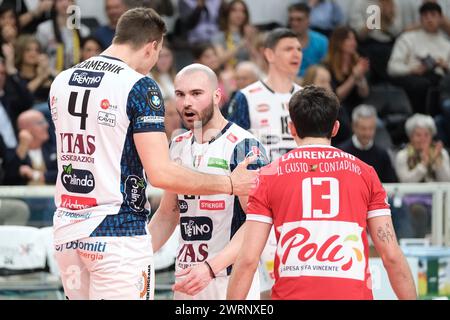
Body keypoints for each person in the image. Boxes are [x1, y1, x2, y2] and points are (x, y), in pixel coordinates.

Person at [49, 7, 258, 300]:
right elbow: (161, 174)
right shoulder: (139, 85)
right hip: (117, 230)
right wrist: (230, 184)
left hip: (67, 229)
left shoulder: (63, 79)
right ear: (152, 46)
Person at [227, 86, 417, 300]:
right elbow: (391, 255)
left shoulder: (268, 176)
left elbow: (248, 260)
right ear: (335, 128)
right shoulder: (366, 173)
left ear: (292, 128)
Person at [149, 63, 267, 300]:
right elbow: (168, 214)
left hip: (228, 279)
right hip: (187, 277)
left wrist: (211, 268)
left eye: (196, 94)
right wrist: (134, 256)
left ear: (216, 95)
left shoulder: (244, 145)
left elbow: (257, 224)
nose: (186, 103)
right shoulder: (178, 144)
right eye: (180, 95)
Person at [227, 28, 303, 161]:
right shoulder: (246, 96)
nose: (296, 54)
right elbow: (232, 144)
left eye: (299, 49)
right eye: (288, 49)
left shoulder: (307, 97)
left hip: (299, 176)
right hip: (261, 177)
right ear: (269, 55)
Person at [388, 2, 450, 114]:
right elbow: (392, 67)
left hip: (438, 78)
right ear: (420, 19)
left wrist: (444, 65)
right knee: (421, 84)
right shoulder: (407, 38)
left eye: (433, 15)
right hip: (412, 77)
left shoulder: (446, 44)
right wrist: (413, 69)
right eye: (425, 16)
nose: (429, 19)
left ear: (440, 19)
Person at [395, 113, 450, 238]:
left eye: (426, 135)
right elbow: (406, 181)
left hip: (438, 199)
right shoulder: (402, 155)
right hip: (412, 200)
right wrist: (424, 165)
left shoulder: (441, 154)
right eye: (418, 135)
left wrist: (437, 162)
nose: (423, 139)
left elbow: (447, 181)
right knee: (418, 210)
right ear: (410, 136)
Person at [339, 104, 398, 183]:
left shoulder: (382, 155)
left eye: (371, 128)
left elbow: (391, 184)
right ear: (354, 127)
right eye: (363, 129)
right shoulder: (341, 153)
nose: (367, 133)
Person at [288, 3, 328, 78]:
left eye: (299, 19)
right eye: (291, 19)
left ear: (308, 20)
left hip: (315, 85)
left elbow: (324, 69)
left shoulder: (321, 41)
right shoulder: (283, 42)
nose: (294, 23)